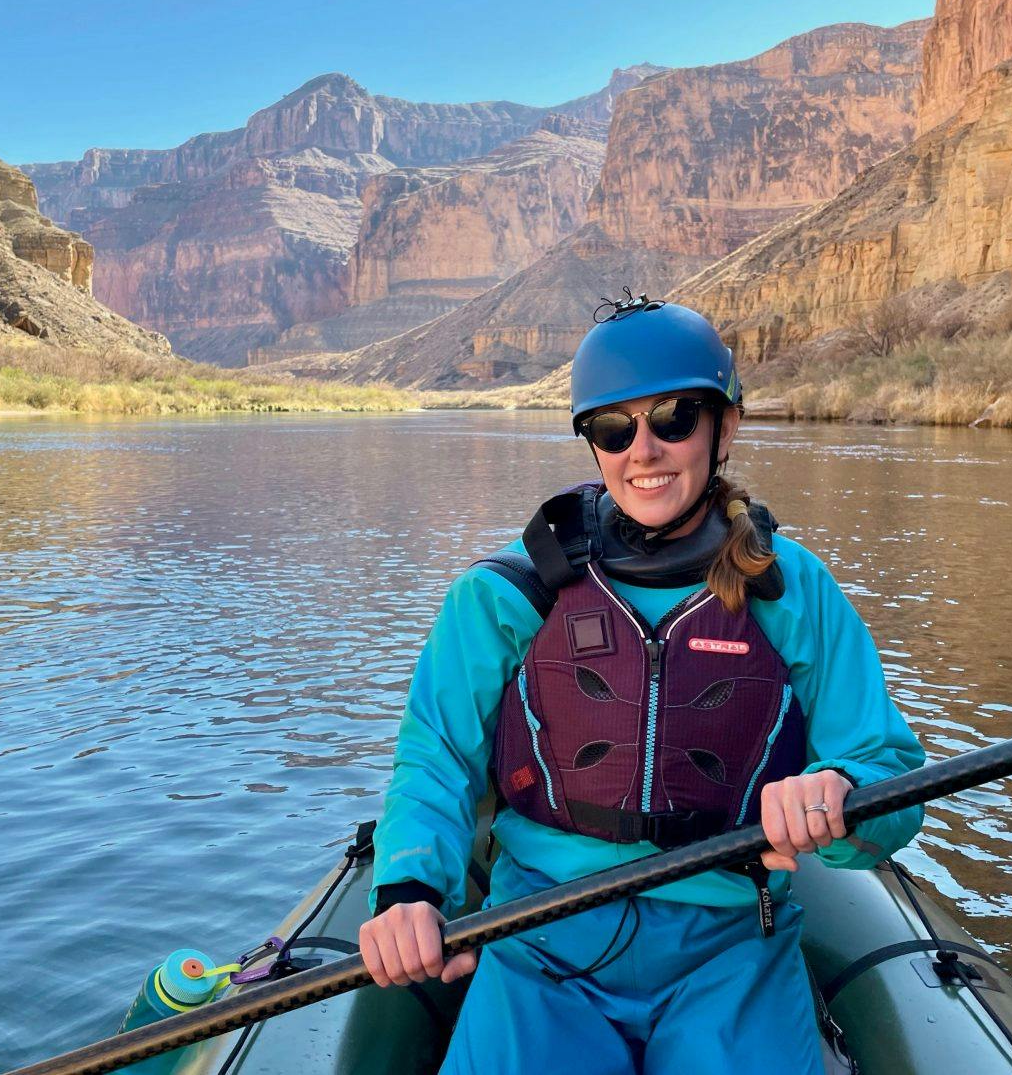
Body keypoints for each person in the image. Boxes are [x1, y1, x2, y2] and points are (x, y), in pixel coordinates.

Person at [358, 292, 925, 1074]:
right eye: (614, 428)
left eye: (674, 419)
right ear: (593, 444)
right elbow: (436, 755)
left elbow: (888, 771)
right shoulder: (507, 594)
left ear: (724, 426)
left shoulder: (794, 591)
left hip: (732, 944)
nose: (643, 450)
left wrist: (839, 786)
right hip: (543, 937)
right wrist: (408, 890)